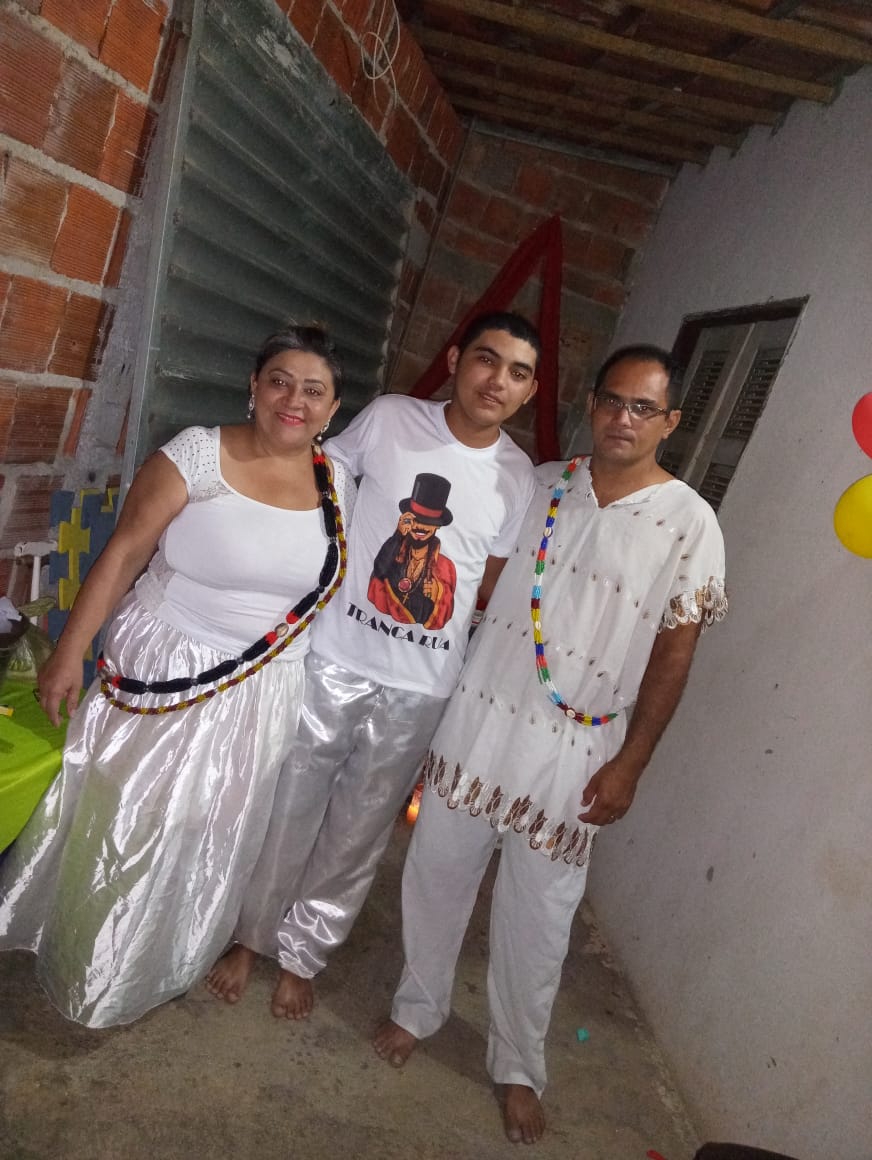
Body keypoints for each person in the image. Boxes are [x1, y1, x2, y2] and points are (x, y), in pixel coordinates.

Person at [373, 345, 729, 1144]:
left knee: (540, 918)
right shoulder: (540, 484)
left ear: (670, 422)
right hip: (481, 721)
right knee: (435, 876)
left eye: (643, 408)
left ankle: (517, 1065)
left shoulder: (691, 524)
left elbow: (675, 654)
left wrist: (632, 763)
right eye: (612, 400)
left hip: (580, 749)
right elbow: (475, 577)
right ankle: (417, 1008)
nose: (623, 419)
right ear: (591, 404)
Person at [0, 324, 355, 1029]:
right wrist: (69, 652)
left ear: (332, 409)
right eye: (280, 381)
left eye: (314, 391)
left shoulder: (335, 480)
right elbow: (124, 553)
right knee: (123, 818)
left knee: (205, 829)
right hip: (167, 668)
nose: (294, 400)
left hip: (260, 690)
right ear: (253, 386)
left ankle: (149, 957)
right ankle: (82, 954)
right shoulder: (197, 454)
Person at [206, 311, 541, 1016]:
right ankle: (251, 937)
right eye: (487, 359)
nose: (497, 381)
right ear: (456, 359)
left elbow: (483, 584)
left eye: (518, 372)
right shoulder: (390, 418)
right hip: (334, 656)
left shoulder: (517, 478)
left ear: (530, 390)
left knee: (359, 830)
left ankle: (305, 953)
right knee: (287, 805)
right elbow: (316, 475)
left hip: (421, 688)